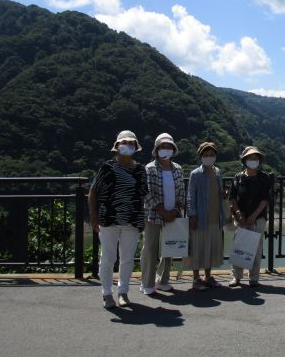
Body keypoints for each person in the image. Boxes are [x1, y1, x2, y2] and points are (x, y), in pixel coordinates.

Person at [88, 130, 147, 309]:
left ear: (135, 148)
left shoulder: (140, 170)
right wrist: (93, 217)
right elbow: (93, 192)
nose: (128, 146)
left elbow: (144, 195)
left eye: (131, 143)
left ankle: (123, 292)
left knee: (127, 258)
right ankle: (106, 293)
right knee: (107, 257)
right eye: (124, 143)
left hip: (132, 220)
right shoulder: (107, 168)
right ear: (117, 147)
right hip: (109, 219)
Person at [140, 133, 185, 295]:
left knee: (170, 248)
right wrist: (162, 210)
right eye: (162, 147)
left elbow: (181, 191)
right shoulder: (149, 168)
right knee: (150, 249)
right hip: (153, 214)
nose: (166, 149)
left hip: (173, 214)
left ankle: (163, 280)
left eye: (169, 147)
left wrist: (174, 210)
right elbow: (147, 193)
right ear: (156, 149)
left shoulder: (178, 169)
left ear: (173, 150)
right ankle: (147, 282)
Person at [187, 141, 226, 291]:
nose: (209, 157)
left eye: (211, 155)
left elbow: (219, 191)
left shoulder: (218, 172)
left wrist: (223, 194)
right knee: (198, 248)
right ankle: (196, 278)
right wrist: (192, 215)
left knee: (210, 247)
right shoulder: (195, 174)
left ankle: (208, 276)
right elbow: (190, 196)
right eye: (206, 155)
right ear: (201, 156)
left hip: (216, 217)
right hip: (200, 218)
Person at [229, 146, 270, 287]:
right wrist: (238, 213)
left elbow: (265, 199)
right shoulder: (238, 177)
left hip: (258, 218)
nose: (253, 160)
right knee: (239, 246)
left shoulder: (264, 177)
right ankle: (236, 276)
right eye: (250, 158)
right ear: (245, 160)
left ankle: (254, 278)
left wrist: (253, 216)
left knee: (256, 248)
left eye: (256, 158)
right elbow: (233, 197)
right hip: (240, 218)